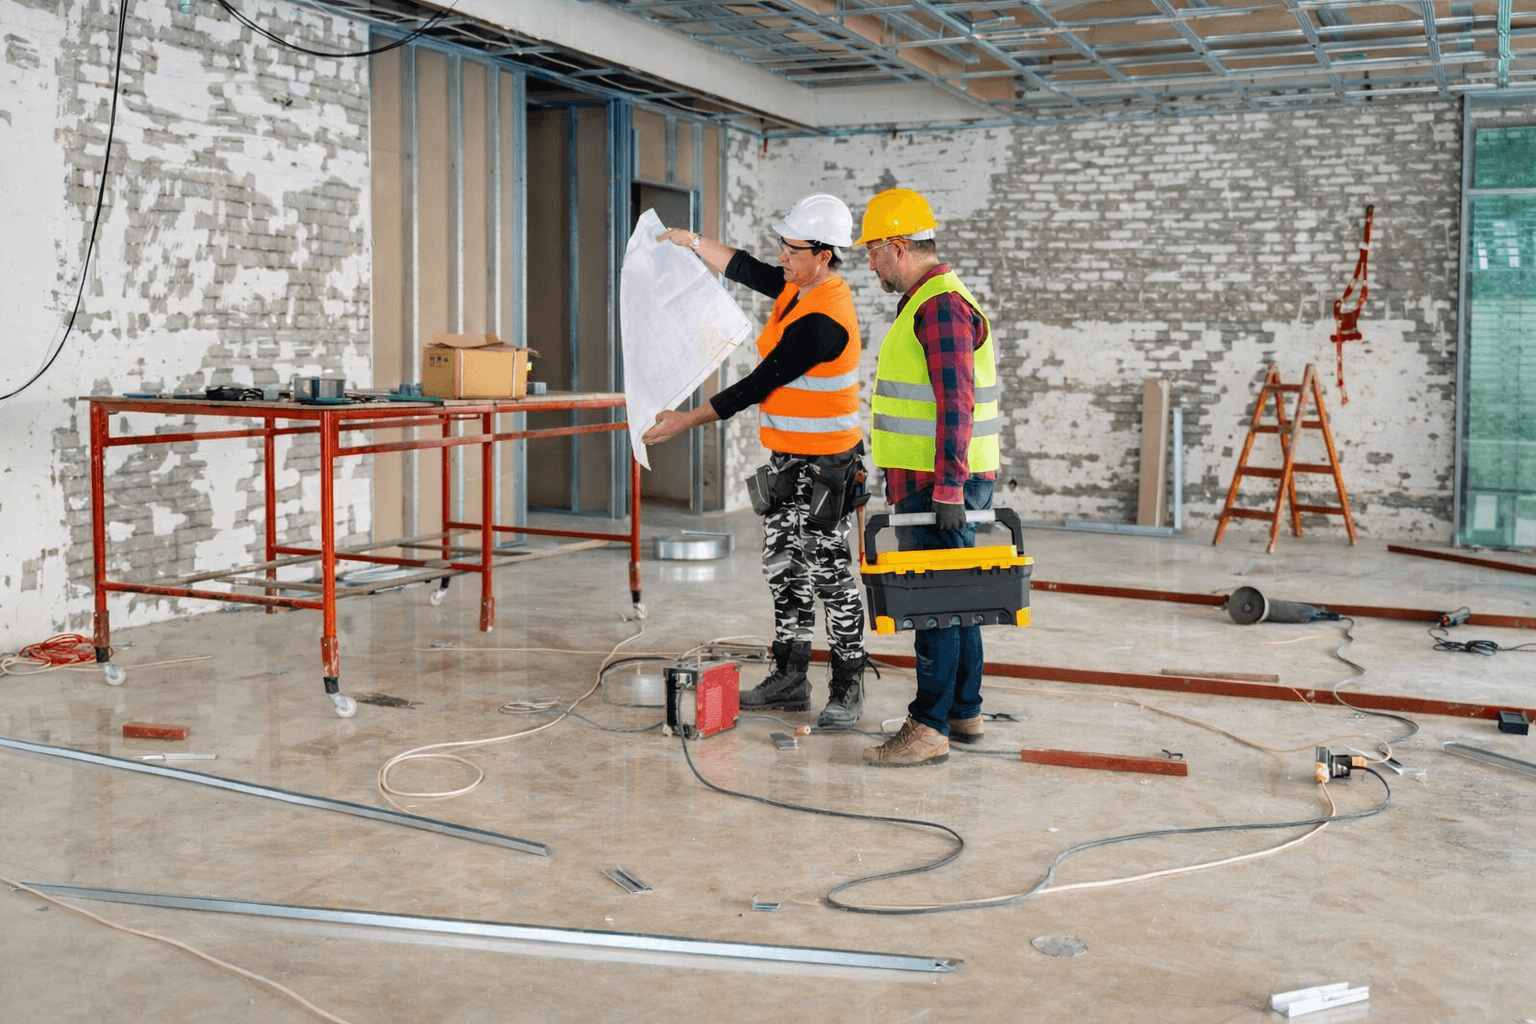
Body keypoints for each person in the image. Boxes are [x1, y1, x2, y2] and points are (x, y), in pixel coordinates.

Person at [642, 194, 869, 730]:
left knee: (829, 574)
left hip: (829, 465)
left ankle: (847, 684)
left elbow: (757, 385)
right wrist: (692, 242)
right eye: (783, 247)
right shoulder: (798, 285)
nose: (782, 258)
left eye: (793, 251)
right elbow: (747, 269)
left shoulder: (825, 318)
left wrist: (683, 420)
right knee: (783, 567)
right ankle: (789, 679)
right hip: (788, 459)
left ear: (824, 256)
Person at [855, 188, 1000, 768]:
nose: (870, 264)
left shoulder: (938, 305)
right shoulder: (931, 299)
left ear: (897, 246)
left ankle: (929, 725)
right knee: (956, 598)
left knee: (934, 602)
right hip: (939, 478)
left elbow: (957, 403)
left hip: (938, 482)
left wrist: (947, 488)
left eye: (872, 252)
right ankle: (963, 710)